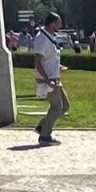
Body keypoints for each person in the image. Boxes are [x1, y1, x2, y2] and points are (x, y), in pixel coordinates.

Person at [31, 13, 69, 144]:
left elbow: (49, 58)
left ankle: (42, 126)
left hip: (55, 77)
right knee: (57, 107)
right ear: (52, 23)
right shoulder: (42, 38)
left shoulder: (51, 37)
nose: (60, 26)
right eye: (58, 23)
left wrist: (58, 67)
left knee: (65, 106)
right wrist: (47, 79)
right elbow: (38, 62)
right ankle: (45, 136)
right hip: (48, 80)